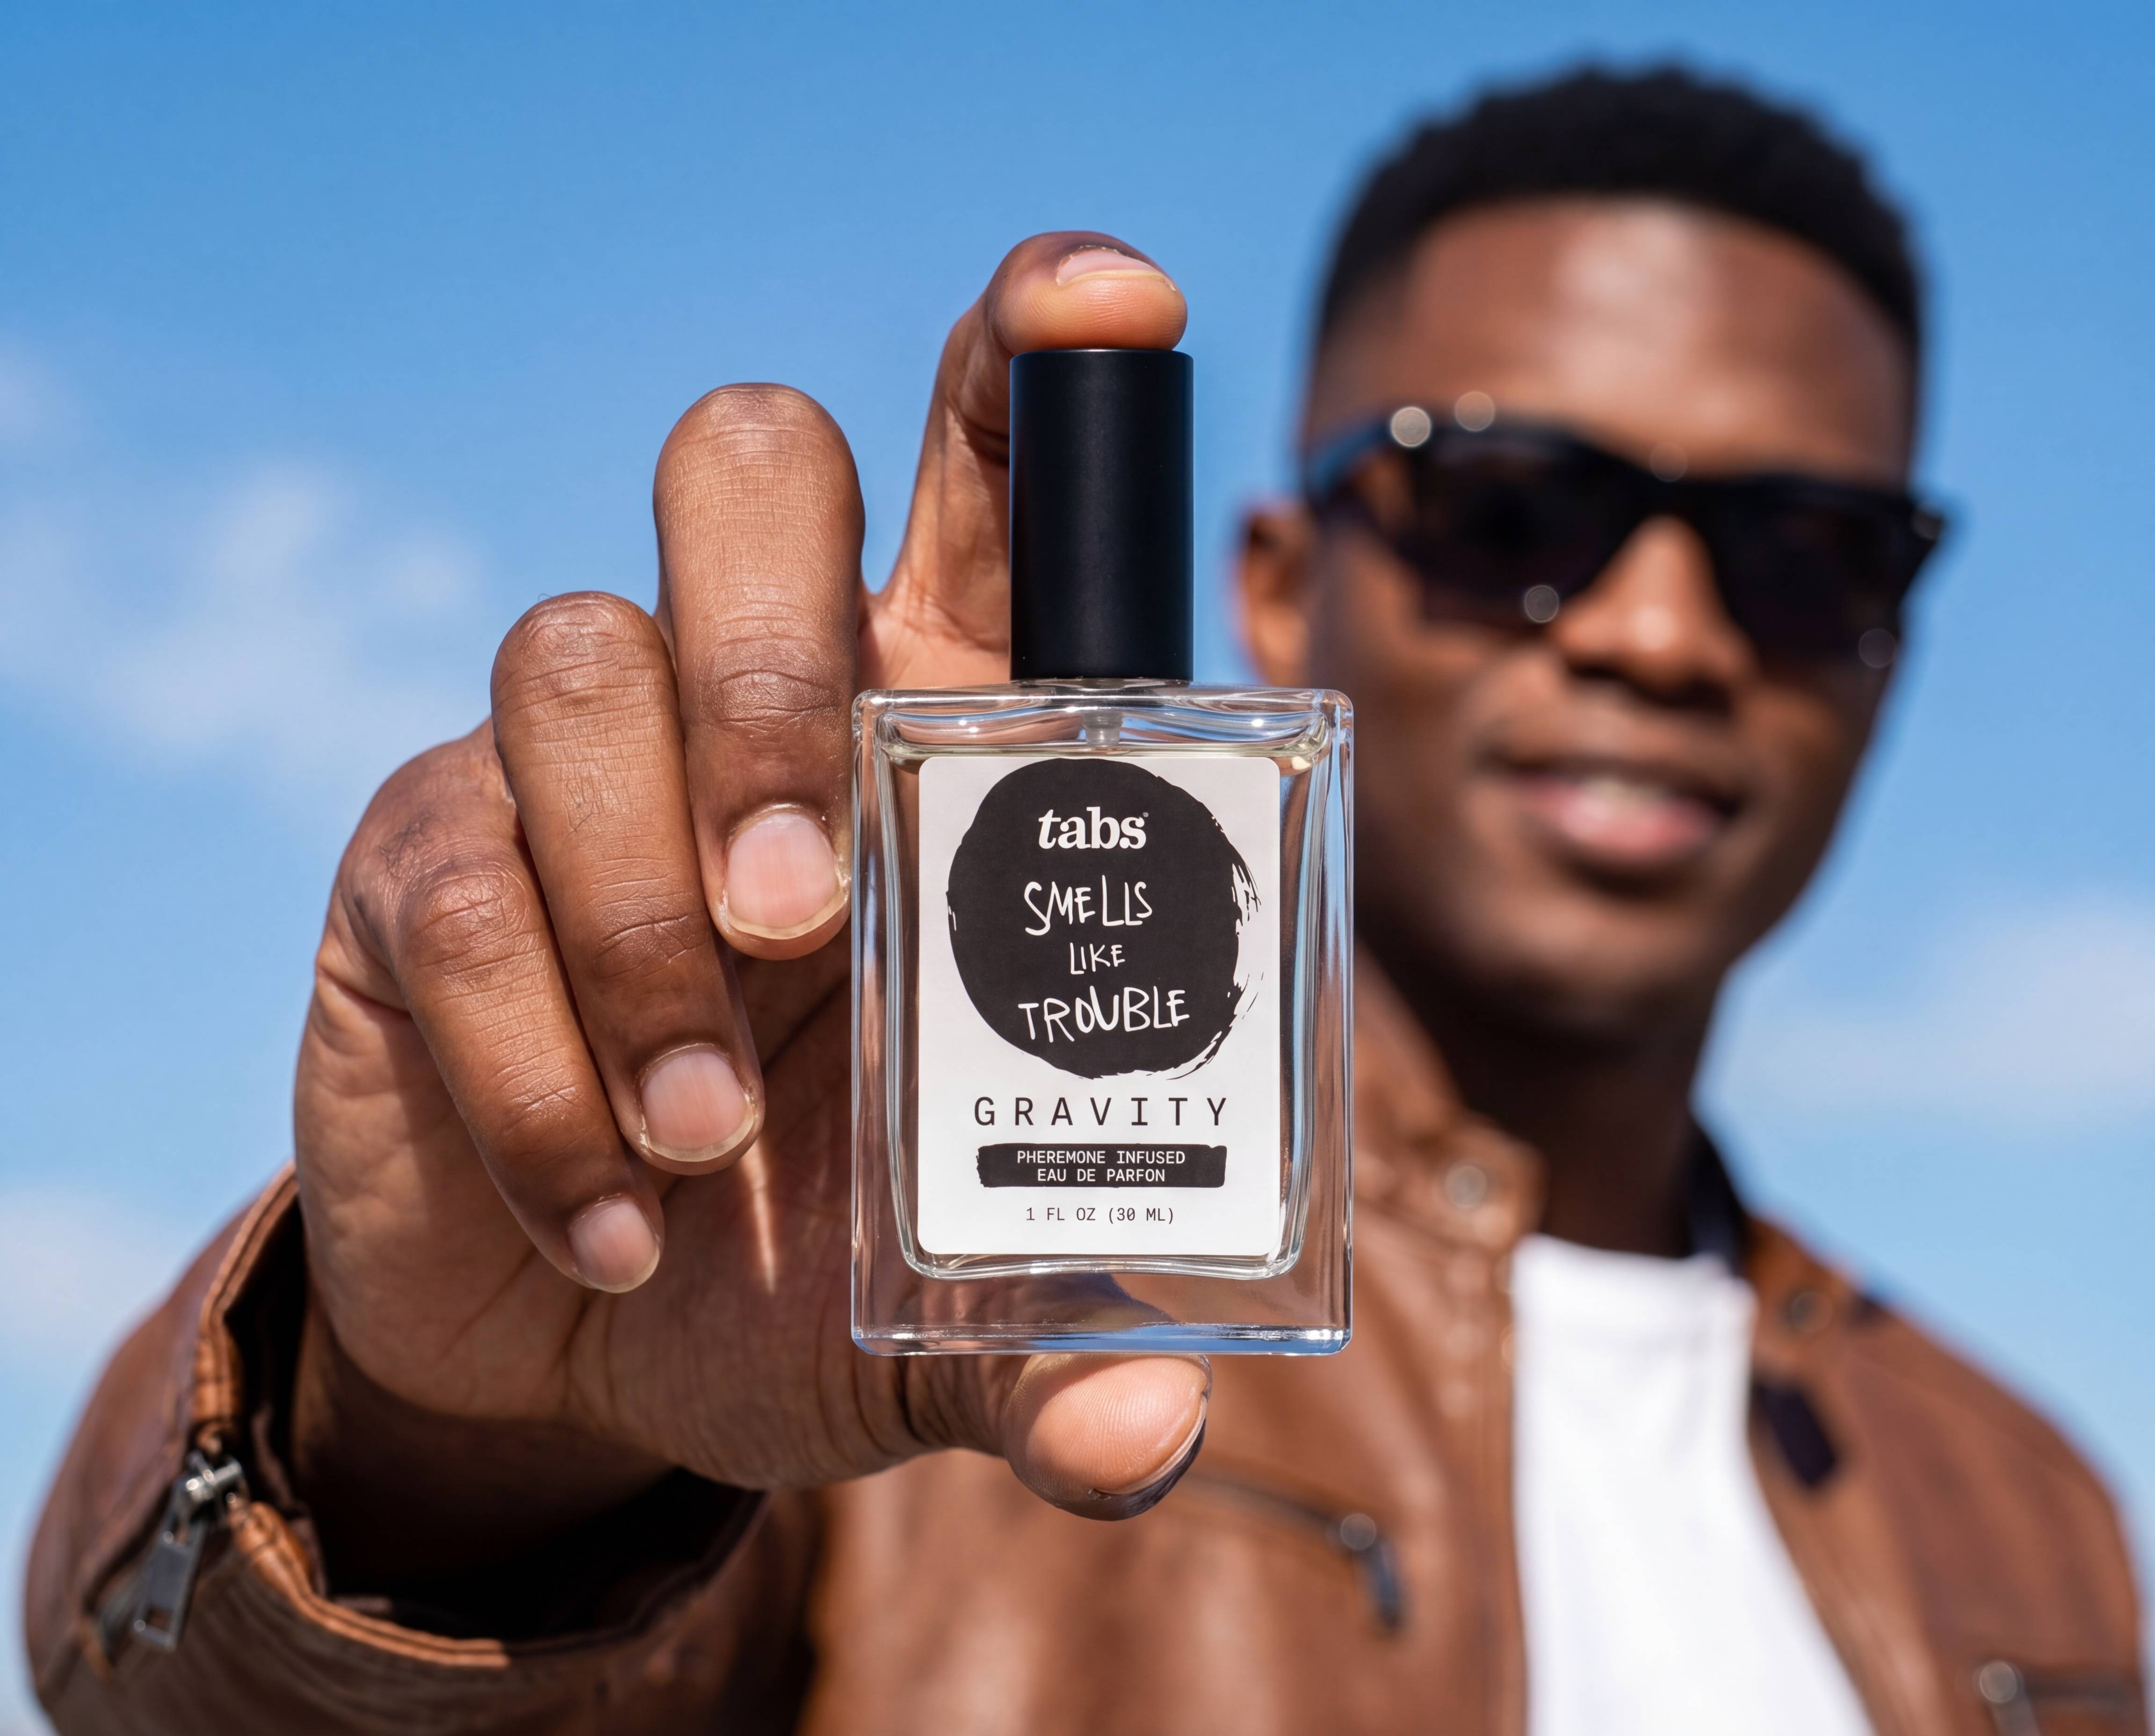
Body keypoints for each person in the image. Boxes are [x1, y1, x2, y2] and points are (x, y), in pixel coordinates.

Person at [23, 65, 2147, 1736]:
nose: (1666, 632)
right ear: (1280, 586)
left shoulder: (2023, 1504)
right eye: (1519, 504)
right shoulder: (923, 1275)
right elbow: (194, 1703)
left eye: (1808, 551)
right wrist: (426, 1444)